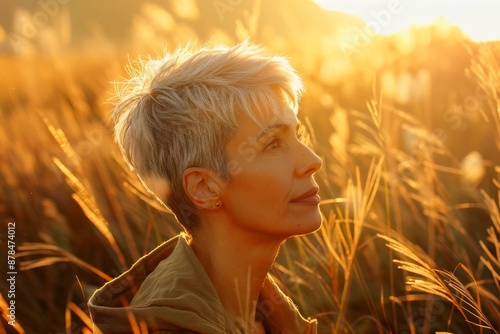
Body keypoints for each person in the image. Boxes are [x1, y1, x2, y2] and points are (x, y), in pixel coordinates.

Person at [88, 41, 323, 334]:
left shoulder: (264, 315)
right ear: (204, 188)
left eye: (296, 136)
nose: (313, 161)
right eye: (272, 144)